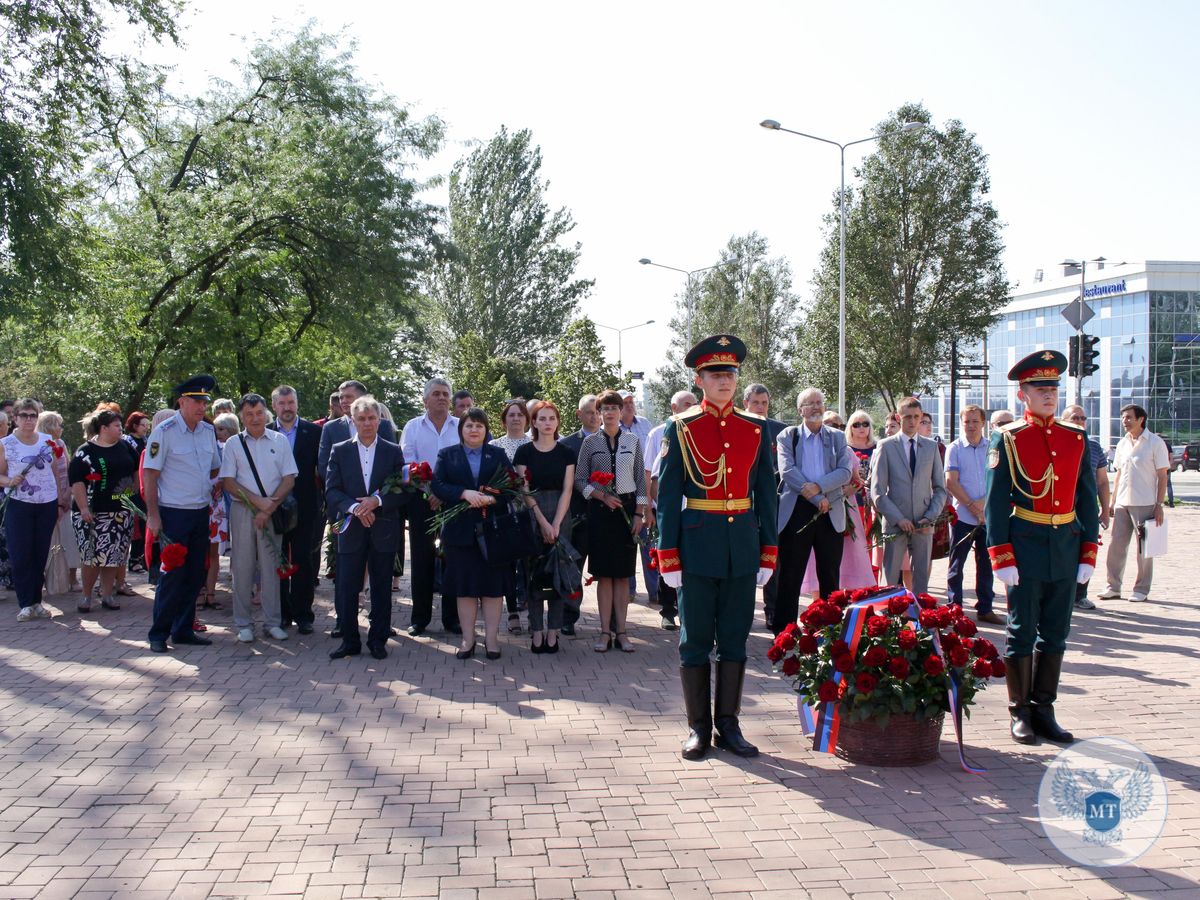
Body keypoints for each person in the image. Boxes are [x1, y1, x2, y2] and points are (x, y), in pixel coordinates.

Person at [657, 335, 779, 760]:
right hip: (697, 545)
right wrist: (666, 554)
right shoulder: (681, 427)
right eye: (715, 374)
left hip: (742, 544)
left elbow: (766, 493)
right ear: (700, 378)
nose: (724, 380)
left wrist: (769, 549)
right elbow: (668, 496)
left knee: (734, 638)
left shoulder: (757, 427)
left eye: (730, 373)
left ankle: (729, 724)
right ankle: (698, 728)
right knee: (694, 640)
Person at [986, 350, 1098, 745]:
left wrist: (1088, 551)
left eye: (1053, 387)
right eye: (1040, 388)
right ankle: (1020, 712)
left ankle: (1044, 709)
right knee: (1021, 631)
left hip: (1066, 546)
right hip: (1026, 545)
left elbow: (1087, 499)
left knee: (1056, 632)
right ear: (1023, 394)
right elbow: (996, 502)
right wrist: (1001, 555)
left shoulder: (1077, 438)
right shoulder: (1009, 438)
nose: (1049, 395)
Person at [142, 376, 222, 652]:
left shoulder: (206, 431)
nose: (202, 407)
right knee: (172, 574)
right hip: (173, 512)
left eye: (204, 402)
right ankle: (159, 633)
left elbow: (214, 467)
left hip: (200, 511)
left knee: (195, 574)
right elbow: (150, 474)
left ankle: (183, 628)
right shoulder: (164, 431)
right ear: (182, 402)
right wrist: (153, 514)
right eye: (197, 401)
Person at [326, 396, 408, 660]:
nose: (367, 423)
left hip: (383, 527)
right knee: (348, 586)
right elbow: (332, 490)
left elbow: (403, 490)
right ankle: (350, 640)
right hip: (352, 527)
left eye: (372, 418)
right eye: (361, 418)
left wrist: (377, 502)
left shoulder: (392, 450)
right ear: (353, 420)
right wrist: (355, 508)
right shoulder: (340, 450)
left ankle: (378, 640)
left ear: (379, 419)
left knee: (382, 586)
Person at [433, 407, 511, 660]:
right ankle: (468, 639)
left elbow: (512, 487)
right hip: (459, 533)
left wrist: (490, 498)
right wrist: (463, 494)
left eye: (479, 425)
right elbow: (438, 485)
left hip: (492, 532)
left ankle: (491, 639)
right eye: (469, 425)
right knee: (465, 588)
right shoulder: (447, 455)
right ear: (461, 430)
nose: (474, 429)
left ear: (486, 429)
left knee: (492, 587)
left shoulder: (497, 454)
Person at [220, 393, 298, 643]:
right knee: (242, 567)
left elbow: (289, 478)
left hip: (272, 511)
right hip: (243, 511)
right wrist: (257, 503)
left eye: (259, 413)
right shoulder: (233, 443)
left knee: (271, 568)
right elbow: (229, 482)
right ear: (241, 417)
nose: (255, 418)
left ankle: (272, 622)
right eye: (249, 414)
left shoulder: (279, 440)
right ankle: (243, 623)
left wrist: (267, 508)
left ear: (267, 413)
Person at [774, 388, 851, 631]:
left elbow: (845, 471)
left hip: (830, 510)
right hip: (797, 510)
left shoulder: (837, 437)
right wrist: (816, 497)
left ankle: (830, 631)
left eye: (819, 402)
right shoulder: (788, 435)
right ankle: (784, 631)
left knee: (829, 575)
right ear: (800, 410)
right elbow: (787, 471)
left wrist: (818, 488)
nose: (816, 407)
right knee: (790, 574)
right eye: (810, 403)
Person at [576, 390, 647, 653]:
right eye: (603, 408)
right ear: (598, 412)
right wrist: (601, 496)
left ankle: (623, 632)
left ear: (621, 411)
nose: (608, 413)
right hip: (601, 512)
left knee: (622, 576)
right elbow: (580, 480)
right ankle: (605, 632)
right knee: (604, 576)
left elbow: (640, 480)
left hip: (627, 511)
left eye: (614, 408)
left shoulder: (633, 441)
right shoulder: (590, 443)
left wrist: (639, 513)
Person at [400, 377, 461, 636]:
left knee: (453, 560)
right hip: (421, 502)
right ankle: (420, 618)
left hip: (454, 504)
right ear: (425, 400)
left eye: (445, 393)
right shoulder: (412, 427)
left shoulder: (460, 426)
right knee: (422, 561)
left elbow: (464, 465)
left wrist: (444, 493)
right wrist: (430, 492)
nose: (441, 398)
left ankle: (452, 618)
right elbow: (407, 465)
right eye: (436, 394)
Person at [513, 401, 576, 653]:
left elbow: (568, 489)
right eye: (542, 418)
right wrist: (541, 521)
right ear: (534, 422)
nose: (547, 423)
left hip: (561, 514)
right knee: (534, 574)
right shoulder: (524, 453)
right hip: (533, 513)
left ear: (557, 422)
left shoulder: (566, 453)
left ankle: (554, 632)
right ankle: (536, 631)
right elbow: (524, 489)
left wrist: (557, 524)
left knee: (559, 576)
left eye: (552, 418)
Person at [870, 396, 947, 595]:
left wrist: (930, 516)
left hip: (924, 522)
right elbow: (877, 491)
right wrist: (898, 518)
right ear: (898, 417)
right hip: (896, 522)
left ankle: (922, 619)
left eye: (916, 417)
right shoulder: (886, 446)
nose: (912, 421)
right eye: (907, 417)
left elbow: (940, 488)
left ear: (921, 416)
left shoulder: (931, 447)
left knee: (921, 578)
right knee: (890, 578)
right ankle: (888, 620)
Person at [2, 399, 68, 621]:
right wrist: (10, 480)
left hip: (47, 502)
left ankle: (37, 601)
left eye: (33, 415)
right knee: (22, 553)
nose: (29, 420)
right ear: (15, 418)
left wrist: (60, 501)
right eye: (24, 415)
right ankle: (25, 603)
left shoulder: (48, 441)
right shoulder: (6, 443)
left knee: (40, 553)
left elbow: (56, 473)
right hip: (20, 503)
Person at [68, 409, 138, 612]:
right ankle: (86, 596)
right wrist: (83, 508)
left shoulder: (125, 446)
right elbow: (77, 481)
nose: (121, 429)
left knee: (115, 555)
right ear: (104, 428)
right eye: (117, 426)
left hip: (120, 511)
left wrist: (134, 489)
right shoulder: (85, 451)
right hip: (92, 512)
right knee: (92, 556)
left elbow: (137, 467)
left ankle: (108, 594)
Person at [1099, 403, 1169, 603]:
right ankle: (1113, 586)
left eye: (1129, 417)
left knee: (1143, 549)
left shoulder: (1155, 443)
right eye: (1123, 418)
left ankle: (1141, 589)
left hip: (1145, 503)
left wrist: (1159, 504)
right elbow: (1119, 473)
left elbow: (1162, 476)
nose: (1125, 421)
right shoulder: (1122, 444)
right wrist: (1112, 502)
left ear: (1141, 419)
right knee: (1116, 547)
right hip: (1122, 502)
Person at [269, 385, 323, 634]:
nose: (287, 408)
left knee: (303, 561)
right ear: (274, 406)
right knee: (276, 560)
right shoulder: (265, 432)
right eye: (282, 403)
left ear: (297, 404)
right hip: (273, 507)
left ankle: (304, 615)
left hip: (305, 507)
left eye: (291, 402)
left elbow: (321, 471)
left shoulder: (314, 432)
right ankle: (282, 614)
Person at [944, 405, 1002, 624]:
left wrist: (983, 505)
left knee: (986, 564)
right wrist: (971, 505)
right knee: (956, 564)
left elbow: (998, 479)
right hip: (963, 515)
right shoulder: (955, 448)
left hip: (987, 515)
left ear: (983, 423)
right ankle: (954, 608)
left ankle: (985, 608)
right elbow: (951, 481)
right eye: (967, 421)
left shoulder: (993, 448)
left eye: (975, 421)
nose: (971, 425)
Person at [645, 391, 698, 630]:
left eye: (695, 404)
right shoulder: (665, 433)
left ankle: (694, 616)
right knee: (669, 560)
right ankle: (668, 610)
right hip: (674, 514)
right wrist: (656, 510)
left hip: (700, 516)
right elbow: (653, 477)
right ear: (675, 407)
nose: (693, 408)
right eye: (688, 404)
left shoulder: (703, 431)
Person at [742, 384, 789, 631]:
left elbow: (786, 464)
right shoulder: (738, 427)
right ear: (745, 403)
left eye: (764, 403)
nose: (761, 407)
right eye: (756, 403)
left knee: (773, 560)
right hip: (743, 506)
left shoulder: (780, 431)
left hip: (773, 505)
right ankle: (743, 614)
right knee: (746, 562)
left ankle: (772, 611)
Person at [1061, 405, 1111, 610]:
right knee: (1063, 552)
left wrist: (1106, 510)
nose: (1080, 421)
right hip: (1063, 508)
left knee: (1087, 549)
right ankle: (1062, 594)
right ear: (1063, 421)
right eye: (1075, 418)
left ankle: (1080, 594)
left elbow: (1102, 481)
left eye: (1083, 418)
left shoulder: (1094, 447)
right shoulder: (1057, 444)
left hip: (1087, 509)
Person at [557, 394, 598, 637]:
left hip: (605, 517)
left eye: (597, 411)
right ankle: (568, 617)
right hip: (576, 517)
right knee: (572, 569)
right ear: (578, 414)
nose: (594, 416)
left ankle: (612, 621)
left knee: (607, 572)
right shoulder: (568, 444)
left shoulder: (613, 440)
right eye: (589, 411)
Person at [491, 398, 532, 634]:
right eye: (511, 415)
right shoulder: (495, 446)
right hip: (504, 512)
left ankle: (529, 605)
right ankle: (512, 612)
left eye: (520, 415)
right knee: (508, 564)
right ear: (504, 419)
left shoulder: (534, 444)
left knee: (527, 564)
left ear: (527, 419)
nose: (516, 418)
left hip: (529, 510)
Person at [618, 390, 656, 604]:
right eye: (625, 403)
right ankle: (629, 590)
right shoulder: (612, 429)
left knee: (648, 544)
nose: (630, 406)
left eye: (631, 402)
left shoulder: (645, 425)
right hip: (624, 494)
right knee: (628, 544)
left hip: (645, 490)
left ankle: (654, 591)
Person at [39, 411, 81, 594]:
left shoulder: (61, 444)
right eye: (58, 424)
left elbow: (69, 467)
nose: (61, 428)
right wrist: (57, 499)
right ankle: (51, 578)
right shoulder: (42, 446)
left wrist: (67, 493)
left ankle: (72, 577)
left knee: (69, 538)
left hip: (66, 495)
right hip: (49, 498)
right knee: (50, 542)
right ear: (48, 427)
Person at [846, 409, 882, 581]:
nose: (861, 428)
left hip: (872, 505)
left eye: (865, 423)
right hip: (851, 502)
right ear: (850, 428)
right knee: (852, 545)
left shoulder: (879, 447)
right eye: (856, 424)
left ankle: (870, 585)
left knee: (870, 545)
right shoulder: (845, 449)